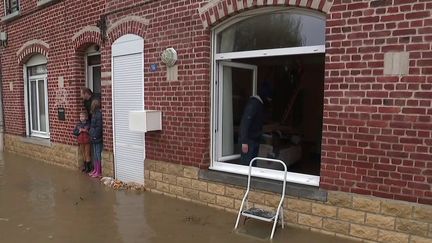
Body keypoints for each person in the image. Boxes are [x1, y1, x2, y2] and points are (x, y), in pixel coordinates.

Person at [239, 82, 272, 166]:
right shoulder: (254, 104)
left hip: (254, 140)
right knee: (247, 165)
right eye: (268, 98)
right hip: (249, 141)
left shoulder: (259, 105)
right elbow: (245, 122)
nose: (269, 101)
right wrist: (244, 141)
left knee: (252, 164)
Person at [88, 99, 103, 178]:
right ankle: (95, 169)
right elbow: (92, 126)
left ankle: (99, 171)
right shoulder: (94, 114)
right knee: (95, 154)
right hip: (93, 137)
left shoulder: (98, 114)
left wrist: (94, 135)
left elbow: (98, 127)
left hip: (97, 137)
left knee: (98, 154)